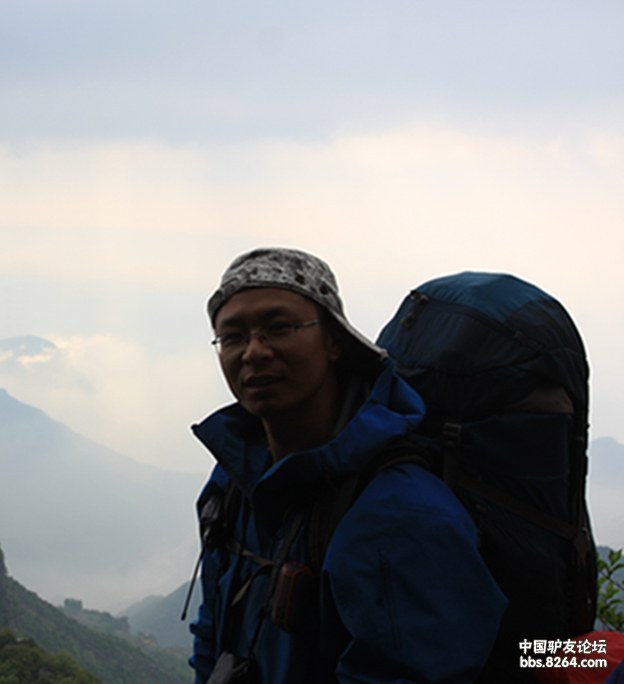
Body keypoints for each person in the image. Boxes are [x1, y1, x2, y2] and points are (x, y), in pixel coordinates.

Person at [189, 247, 507, 683]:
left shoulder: (399, 514)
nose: (254, 351)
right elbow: (211, 636)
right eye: (232, 336)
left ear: (334, 342)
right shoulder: (233, 483)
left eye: (279, 327)